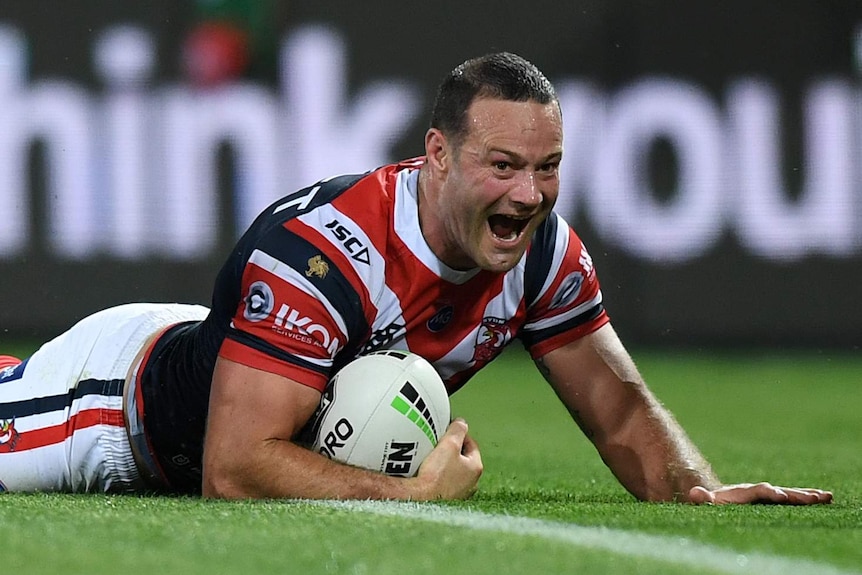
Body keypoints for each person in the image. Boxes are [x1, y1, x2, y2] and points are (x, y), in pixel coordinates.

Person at [0, 52, 832, 505]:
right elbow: (234, 468)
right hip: (113, 413)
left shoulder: (541, 252)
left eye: (548, 168)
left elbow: (619, 407)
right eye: (502, 165)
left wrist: (697, 490)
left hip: (245, 372)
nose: (529, 194)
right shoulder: (324, 257)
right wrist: (413, 494)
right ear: (437, 156)